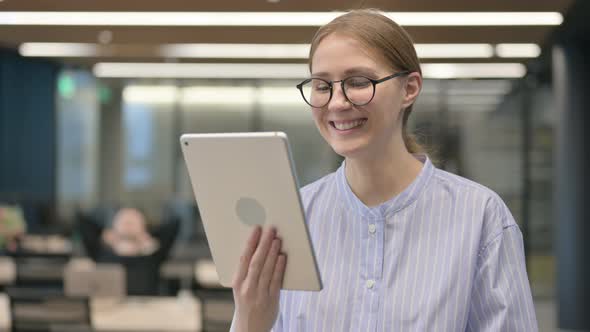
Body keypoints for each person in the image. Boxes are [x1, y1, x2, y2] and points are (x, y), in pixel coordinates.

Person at [230, 9, 538, 332]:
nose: (337, 102)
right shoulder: (293, 218)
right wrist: (249, 321)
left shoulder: (481, 219)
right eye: (322, 86)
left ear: (409, 89)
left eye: (358, 82)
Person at [79, 207, 179, 295]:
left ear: (143, 226)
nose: (128, 222)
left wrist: (146, 238)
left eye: (134, 219)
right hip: (108, 310)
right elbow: (82, 221)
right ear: (114, 226)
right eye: (123, 219)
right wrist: (104, 234)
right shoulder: (101, 252)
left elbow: (176, 222)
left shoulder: (153, 255)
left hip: (144, 311)